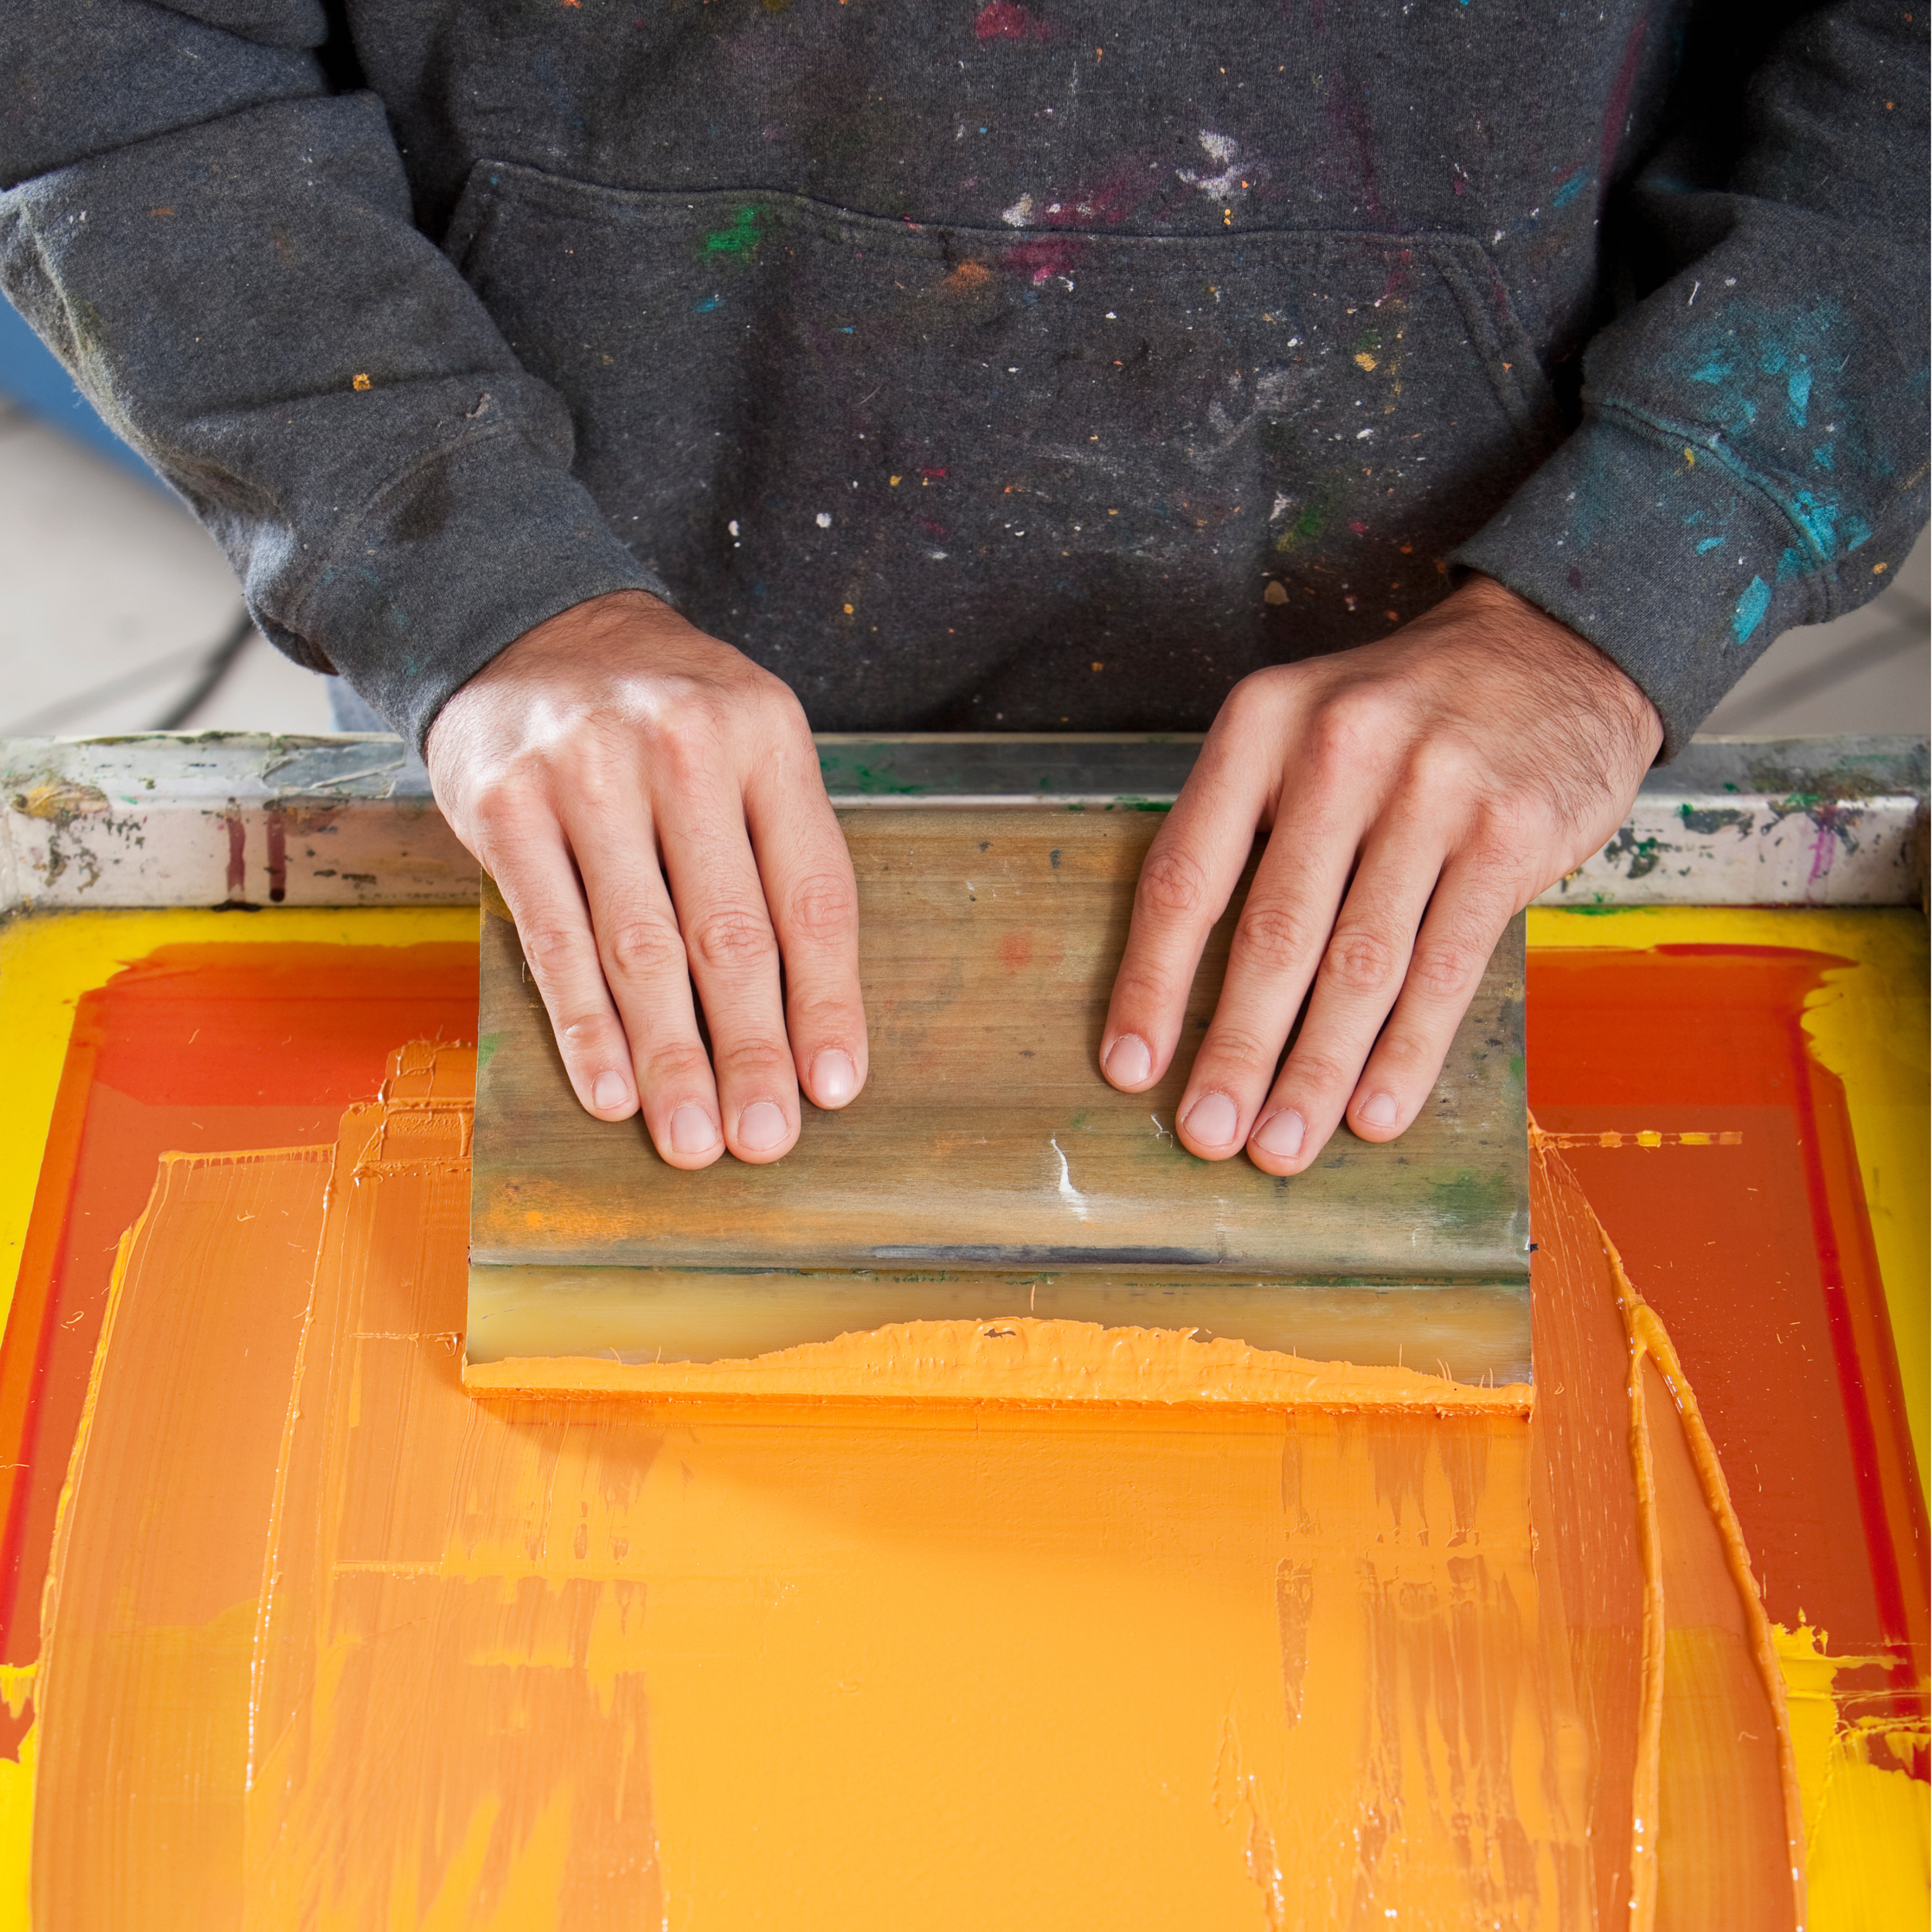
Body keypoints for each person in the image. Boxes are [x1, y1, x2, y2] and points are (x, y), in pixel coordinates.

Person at [4, 2, 1924, 1177]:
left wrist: (1638, 572)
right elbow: (108, 53)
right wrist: (471, 570)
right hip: (591, 671)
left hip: (1472, 692)